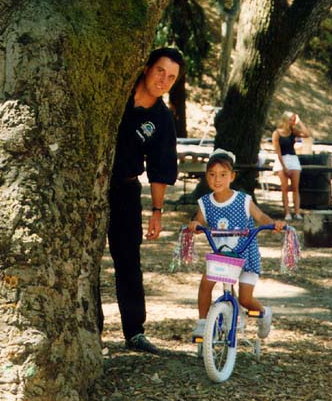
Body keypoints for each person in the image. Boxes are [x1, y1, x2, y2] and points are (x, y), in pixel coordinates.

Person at [108, 47, 185, 354]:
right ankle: (90, 327)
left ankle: (134, 331)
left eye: (171, 77)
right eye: (160, 71)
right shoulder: (116, 93)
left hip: (126, 189)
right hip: (89, 187)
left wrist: (156, 211)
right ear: (146, 68)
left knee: (128, 260)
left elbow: (161, 167)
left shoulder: (162, 120)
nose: (163, 80)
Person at [188, 149, 286, 341]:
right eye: (212, 175)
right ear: (206, 176)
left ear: (232, 176)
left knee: (245, 299)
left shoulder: (242, 200)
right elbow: (198, 221)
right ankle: (202, 323)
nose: (217, 180)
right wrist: (195, 225)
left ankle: (264, 313)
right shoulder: (205, 203)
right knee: (205, 283)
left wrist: (273, 224)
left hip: (246, 255)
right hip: (223, 255)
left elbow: (260, 217)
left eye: (223, 175)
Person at [272, 111, 311, 221]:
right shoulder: (277, 133)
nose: (292, 122)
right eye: (291, 119)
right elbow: (278, 151)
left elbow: (307, 134)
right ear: (285, 120)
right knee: (284, 188)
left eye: (293, 120)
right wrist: (284, 167)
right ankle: (287, 212)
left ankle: (297, 212)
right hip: (282, 159)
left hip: (293, 159)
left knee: (295, 188)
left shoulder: (293, 131)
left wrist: (300, 122)